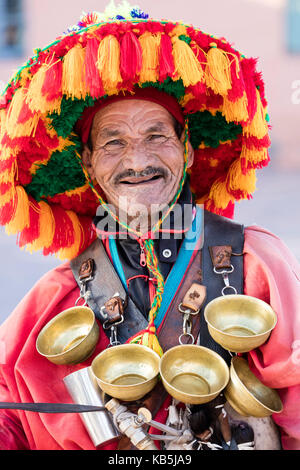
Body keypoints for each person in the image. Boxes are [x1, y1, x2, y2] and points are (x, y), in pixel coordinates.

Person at [0, 2, 299, 451]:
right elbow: (12, 419)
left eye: (156, 136)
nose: (137, 161)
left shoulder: (254, 264)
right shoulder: (57, 295)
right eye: (113, 142)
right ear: (88, 165)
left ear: (189, 151)